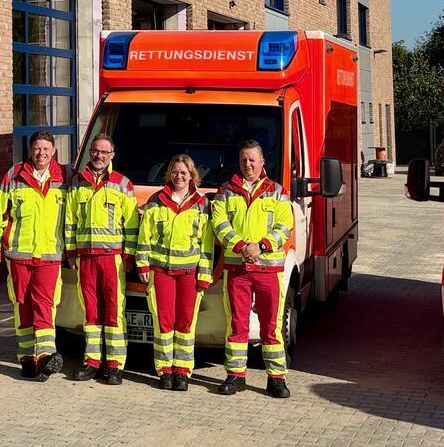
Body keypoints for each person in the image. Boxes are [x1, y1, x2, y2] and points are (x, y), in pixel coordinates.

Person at [210, 138, 295, 398]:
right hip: (237, 269)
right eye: (244, 160)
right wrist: (241, 247)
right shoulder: (226, 191)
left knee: (271, 326)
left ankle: (276, 379)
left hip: (269, 270)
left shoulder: (277, 191)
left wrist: (261, 246)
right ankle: (235, 377)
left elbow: (285, 226)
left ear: (262, 162)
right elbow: (219, 223)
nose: (248, 164)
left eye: (253, 160)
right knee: (237, 324)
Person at [0, 130, 68, 380]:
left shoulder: (65, 178)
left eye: (46, 149)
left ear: (53, 151)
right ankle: (26, 358)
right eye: (37, 148)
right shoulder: (14, 175)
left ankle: (46, 355)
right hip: (18, 255)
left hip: (49, 256)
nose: (41, 153)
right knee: (22, 304)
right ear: (30, 150)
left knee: (45, 304)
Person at [134, 153, 213, 391]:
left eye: (184, 173)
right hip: (161, 271)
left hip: (189, 273)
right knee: (163, 322)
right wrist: (142, 264)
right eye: (175, 172)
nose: (179, 176)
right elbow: (145, 235)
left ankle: (182, 371)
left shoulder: (201, 204)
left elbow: (206, 243)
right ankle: (164, 370)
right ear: (169, 174)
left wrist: (205, 275)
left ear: (192, 176)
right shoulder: (156, 200)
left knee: (186, 323)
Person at [64, 134, 139, 384]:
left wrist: (129, 256)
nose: (99, 156)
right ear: (90, 153)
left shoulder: (123, 184)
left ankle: (115, 365)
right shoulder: (77, 182)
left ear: (112, 156)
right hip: (86, 258)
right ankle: (92, 361)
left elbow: (131, 225)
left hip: (112, 259)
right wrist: (71, 252)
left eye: (104, 153)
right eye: (95, 151)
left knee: (114, 313)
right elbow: (70, 221)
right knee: (90, 312)